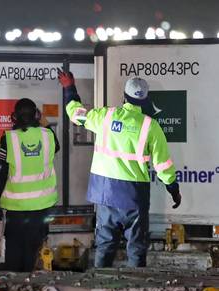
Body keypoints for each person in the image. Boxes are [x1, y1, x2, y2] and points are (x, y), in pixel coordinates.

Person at [58, 70, 182, 268]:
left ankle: (98, 287)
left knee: (105, 245)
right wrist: (173, 189)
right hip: (134, 196)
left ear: (124, 97)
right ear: (145, 100)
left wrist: (69, 88)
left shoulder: (106, 116)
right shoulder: (151, 127)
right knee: (136, 248)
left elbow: (75, 114)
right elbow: (163, 165)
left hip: (106, 193)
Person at [0, 98, 60, 272]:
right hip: (41, 207)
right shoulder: (48, 135)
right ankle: (33, 290)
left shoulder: (8, 139)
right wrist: (44, 122)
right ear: (36, 115)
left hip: (16, 208)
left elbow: (1, 174)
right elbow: (57, 147)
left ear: (14, 117)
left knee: (14, 252)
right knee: (35, 252)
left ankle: (13, 289)